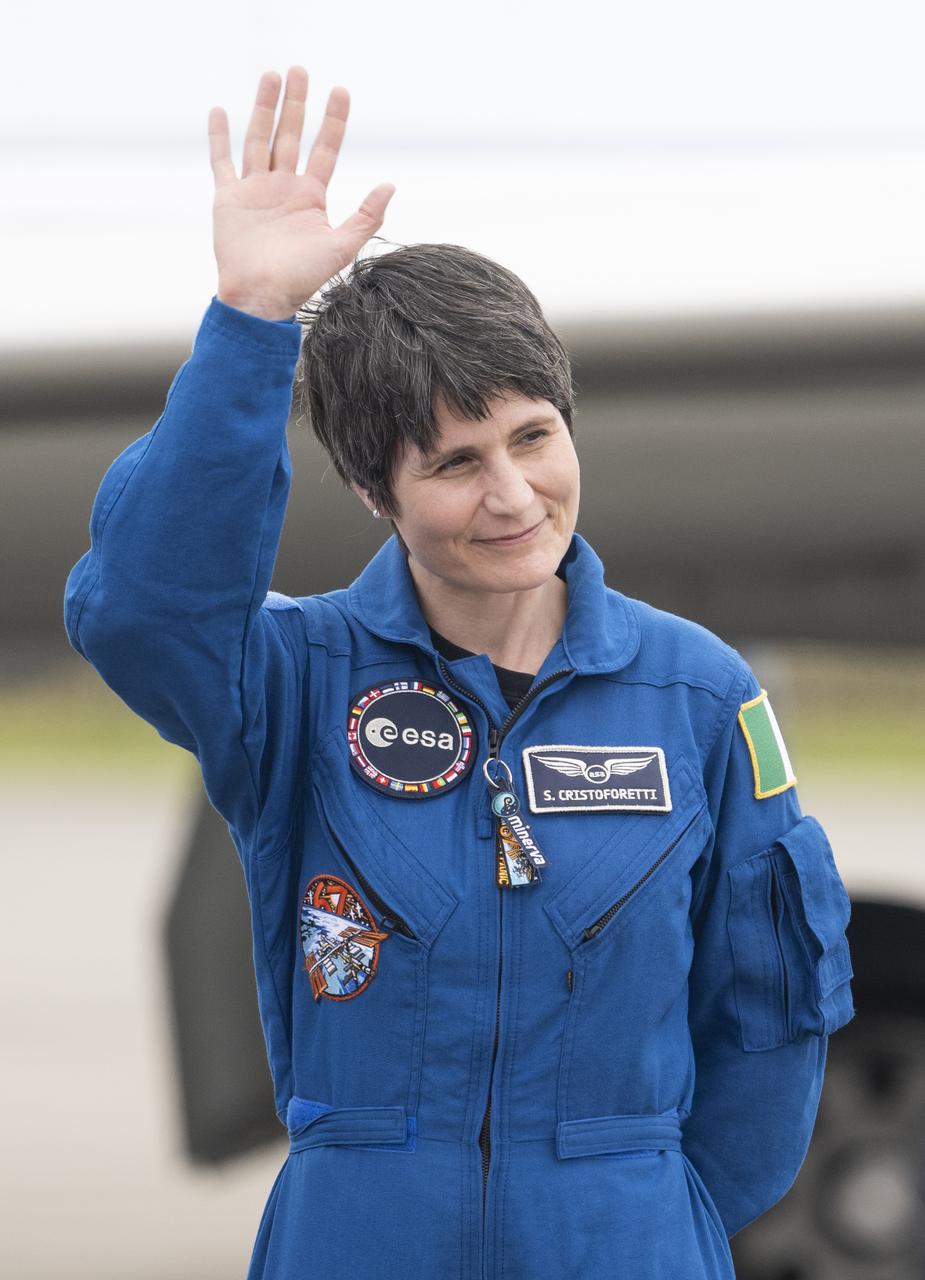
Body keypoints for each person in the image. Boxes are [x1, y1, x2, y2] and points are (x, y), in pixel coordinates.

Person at [63, 65, 857, 1280]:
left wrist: (657, 1214)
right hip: (360, 1229)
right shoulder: (293, 681)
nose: (510, 494)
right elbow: (146, 608)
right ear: (379, 492)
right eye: (453, 461)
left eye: (534, 436)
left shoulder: (698, 695)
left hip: (621, 1227)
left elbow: (767, 1017)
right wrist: (248, 323)